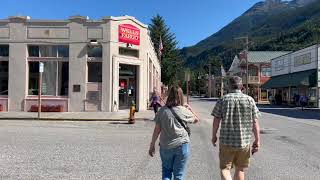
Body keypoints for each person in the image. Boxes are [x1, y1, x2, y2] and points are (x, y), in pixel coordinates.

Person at [211, 76, 261, 180]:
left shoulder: (223, 100)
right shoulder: (250, 100)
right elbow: (254, 122)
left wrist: (214, 136)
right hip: (244, 142)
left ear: (229, 86)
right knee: (240, 169)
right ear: (241, 86)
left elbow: (216, 120)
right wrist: (257, 140)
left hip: (226, 141)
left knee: (225, 169)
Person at [148, 86, 199, 180]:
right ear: (180, 96)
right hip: (182, 145)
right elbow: (196, 119)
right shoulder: (184, 110)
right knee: (179, 175)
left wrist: (152, 145)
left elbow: (157, 130)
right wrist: (190, 108)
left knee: (166, 172)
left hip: (165, 146)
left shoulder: (162, 111)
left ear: (169, 95)